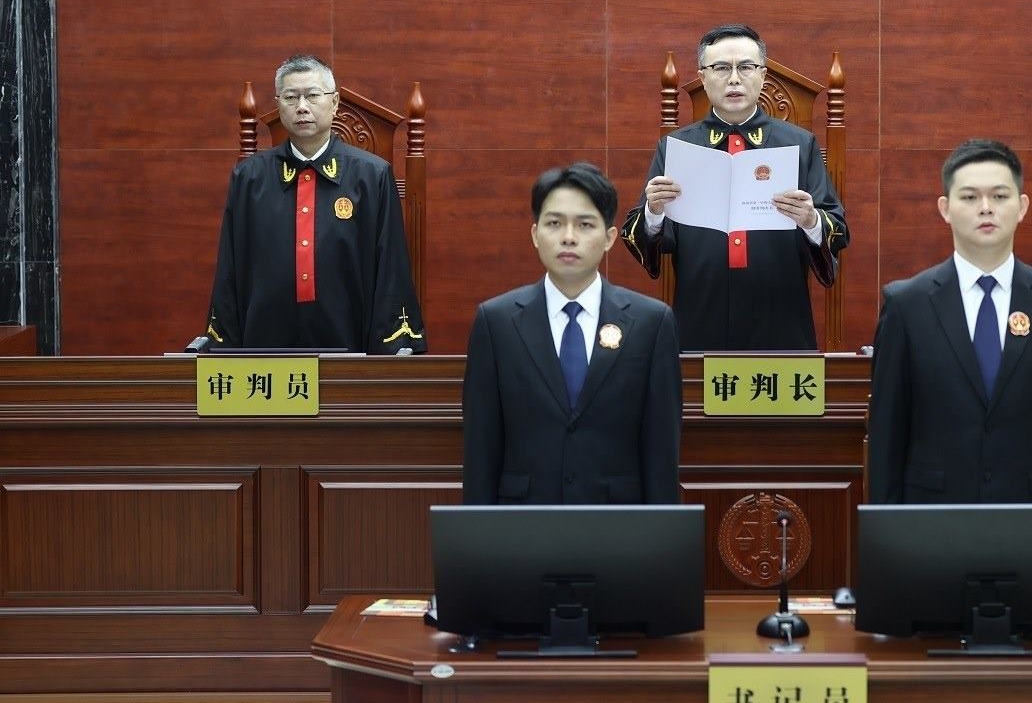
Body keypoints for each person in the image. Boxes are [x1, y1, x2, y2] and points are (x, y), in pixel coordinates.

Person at [867, 139, 1032, 505]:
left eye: (1000, 196)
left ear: (1022, 207)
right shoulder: (906, 305)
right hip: (933, 517)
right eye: (970, 197)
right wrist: (888, 532)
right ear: (945, 208)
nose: (986, 208)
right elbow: (886, 434)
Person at [462, 162, 681, 505]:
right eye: (554, 223)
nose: (568, 236)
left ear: (609, 238)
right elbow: (481, 449)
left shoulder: (650, 324)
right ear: (535, 234)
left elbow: (661, 454)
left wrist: (660, 534)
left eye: (585, 224)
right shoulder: (497, 322)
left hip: (619, 524)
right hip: (523, 522)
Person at [620, 24, 849, 351]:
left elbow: (837, 229)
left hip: (781, 320)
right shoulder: (677, 148)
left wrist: (811, 221)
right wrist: (654, 212)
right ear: (702, 77)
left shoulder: (800, 145)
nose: (734, 79)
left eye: (746, 67)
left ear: (763, 75)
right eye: (720, 68)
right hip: (700, 317)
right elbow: (641, 238)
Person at [203, 55, 426, 353]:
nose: (302, 107)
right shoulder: (249, 178)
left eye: (312, 95)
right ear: (278, 105)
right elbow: (230, 268)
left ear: (334, 103)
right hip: (265, 349)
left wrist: (388, 353)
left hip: (351, 344)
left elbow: (391, 269)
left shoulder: (372, 176)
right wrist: (225, 348)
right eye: (290, 97)